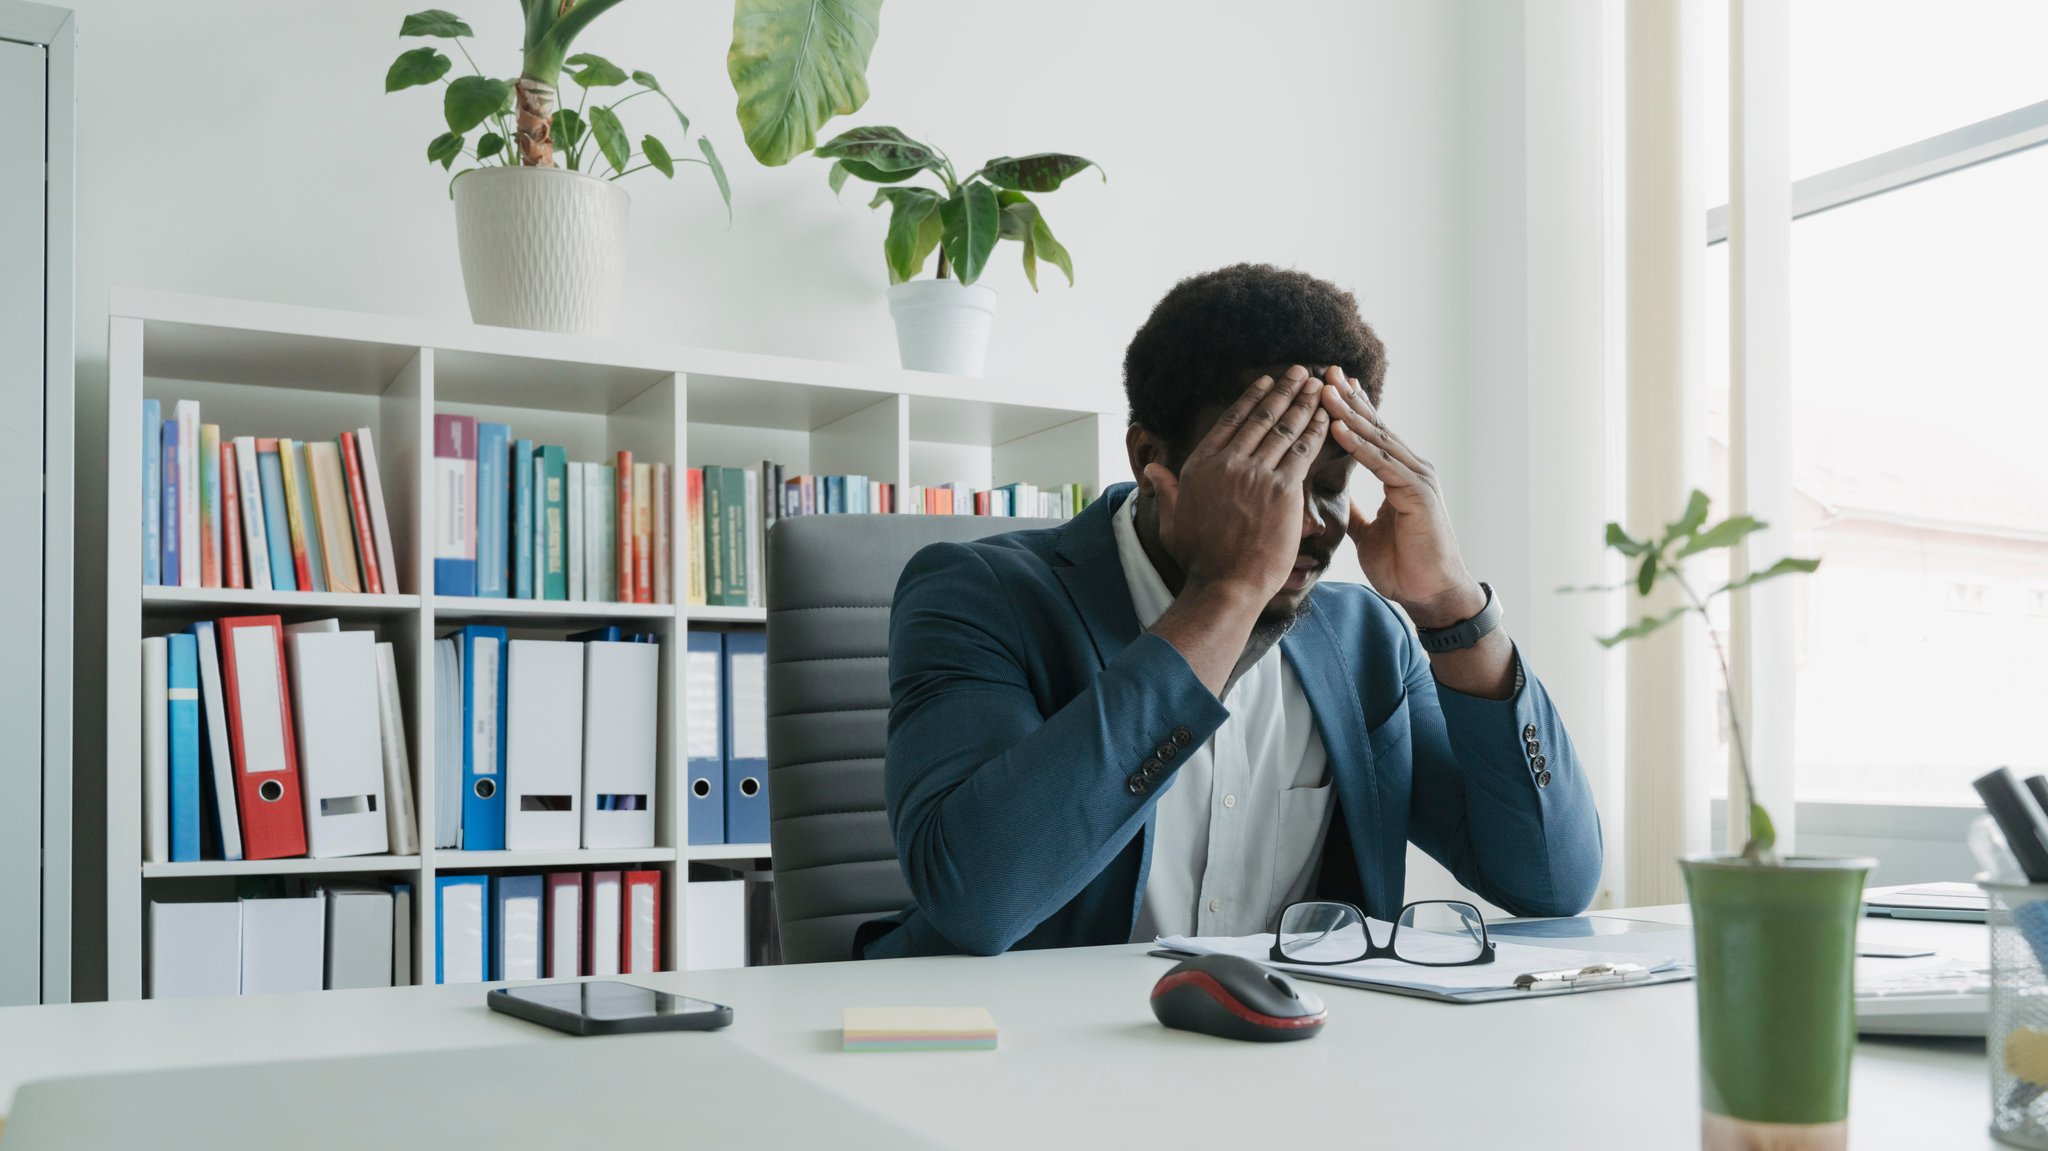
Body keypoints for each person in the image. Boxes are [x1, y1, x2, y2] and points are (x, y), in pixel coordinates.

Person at [857, 263, 1602, 959]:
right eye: (1264, 478)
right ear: (1149, 460)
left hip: (1286, 1042)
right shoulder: (978, 593)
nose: (1305, 521)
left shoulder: (1367, 642)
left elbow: (1551, 883)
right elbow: (978, 899)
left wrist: (1452, 609)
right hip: (1015, 1043)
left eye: (1330, 485)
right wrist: (1228, 594)